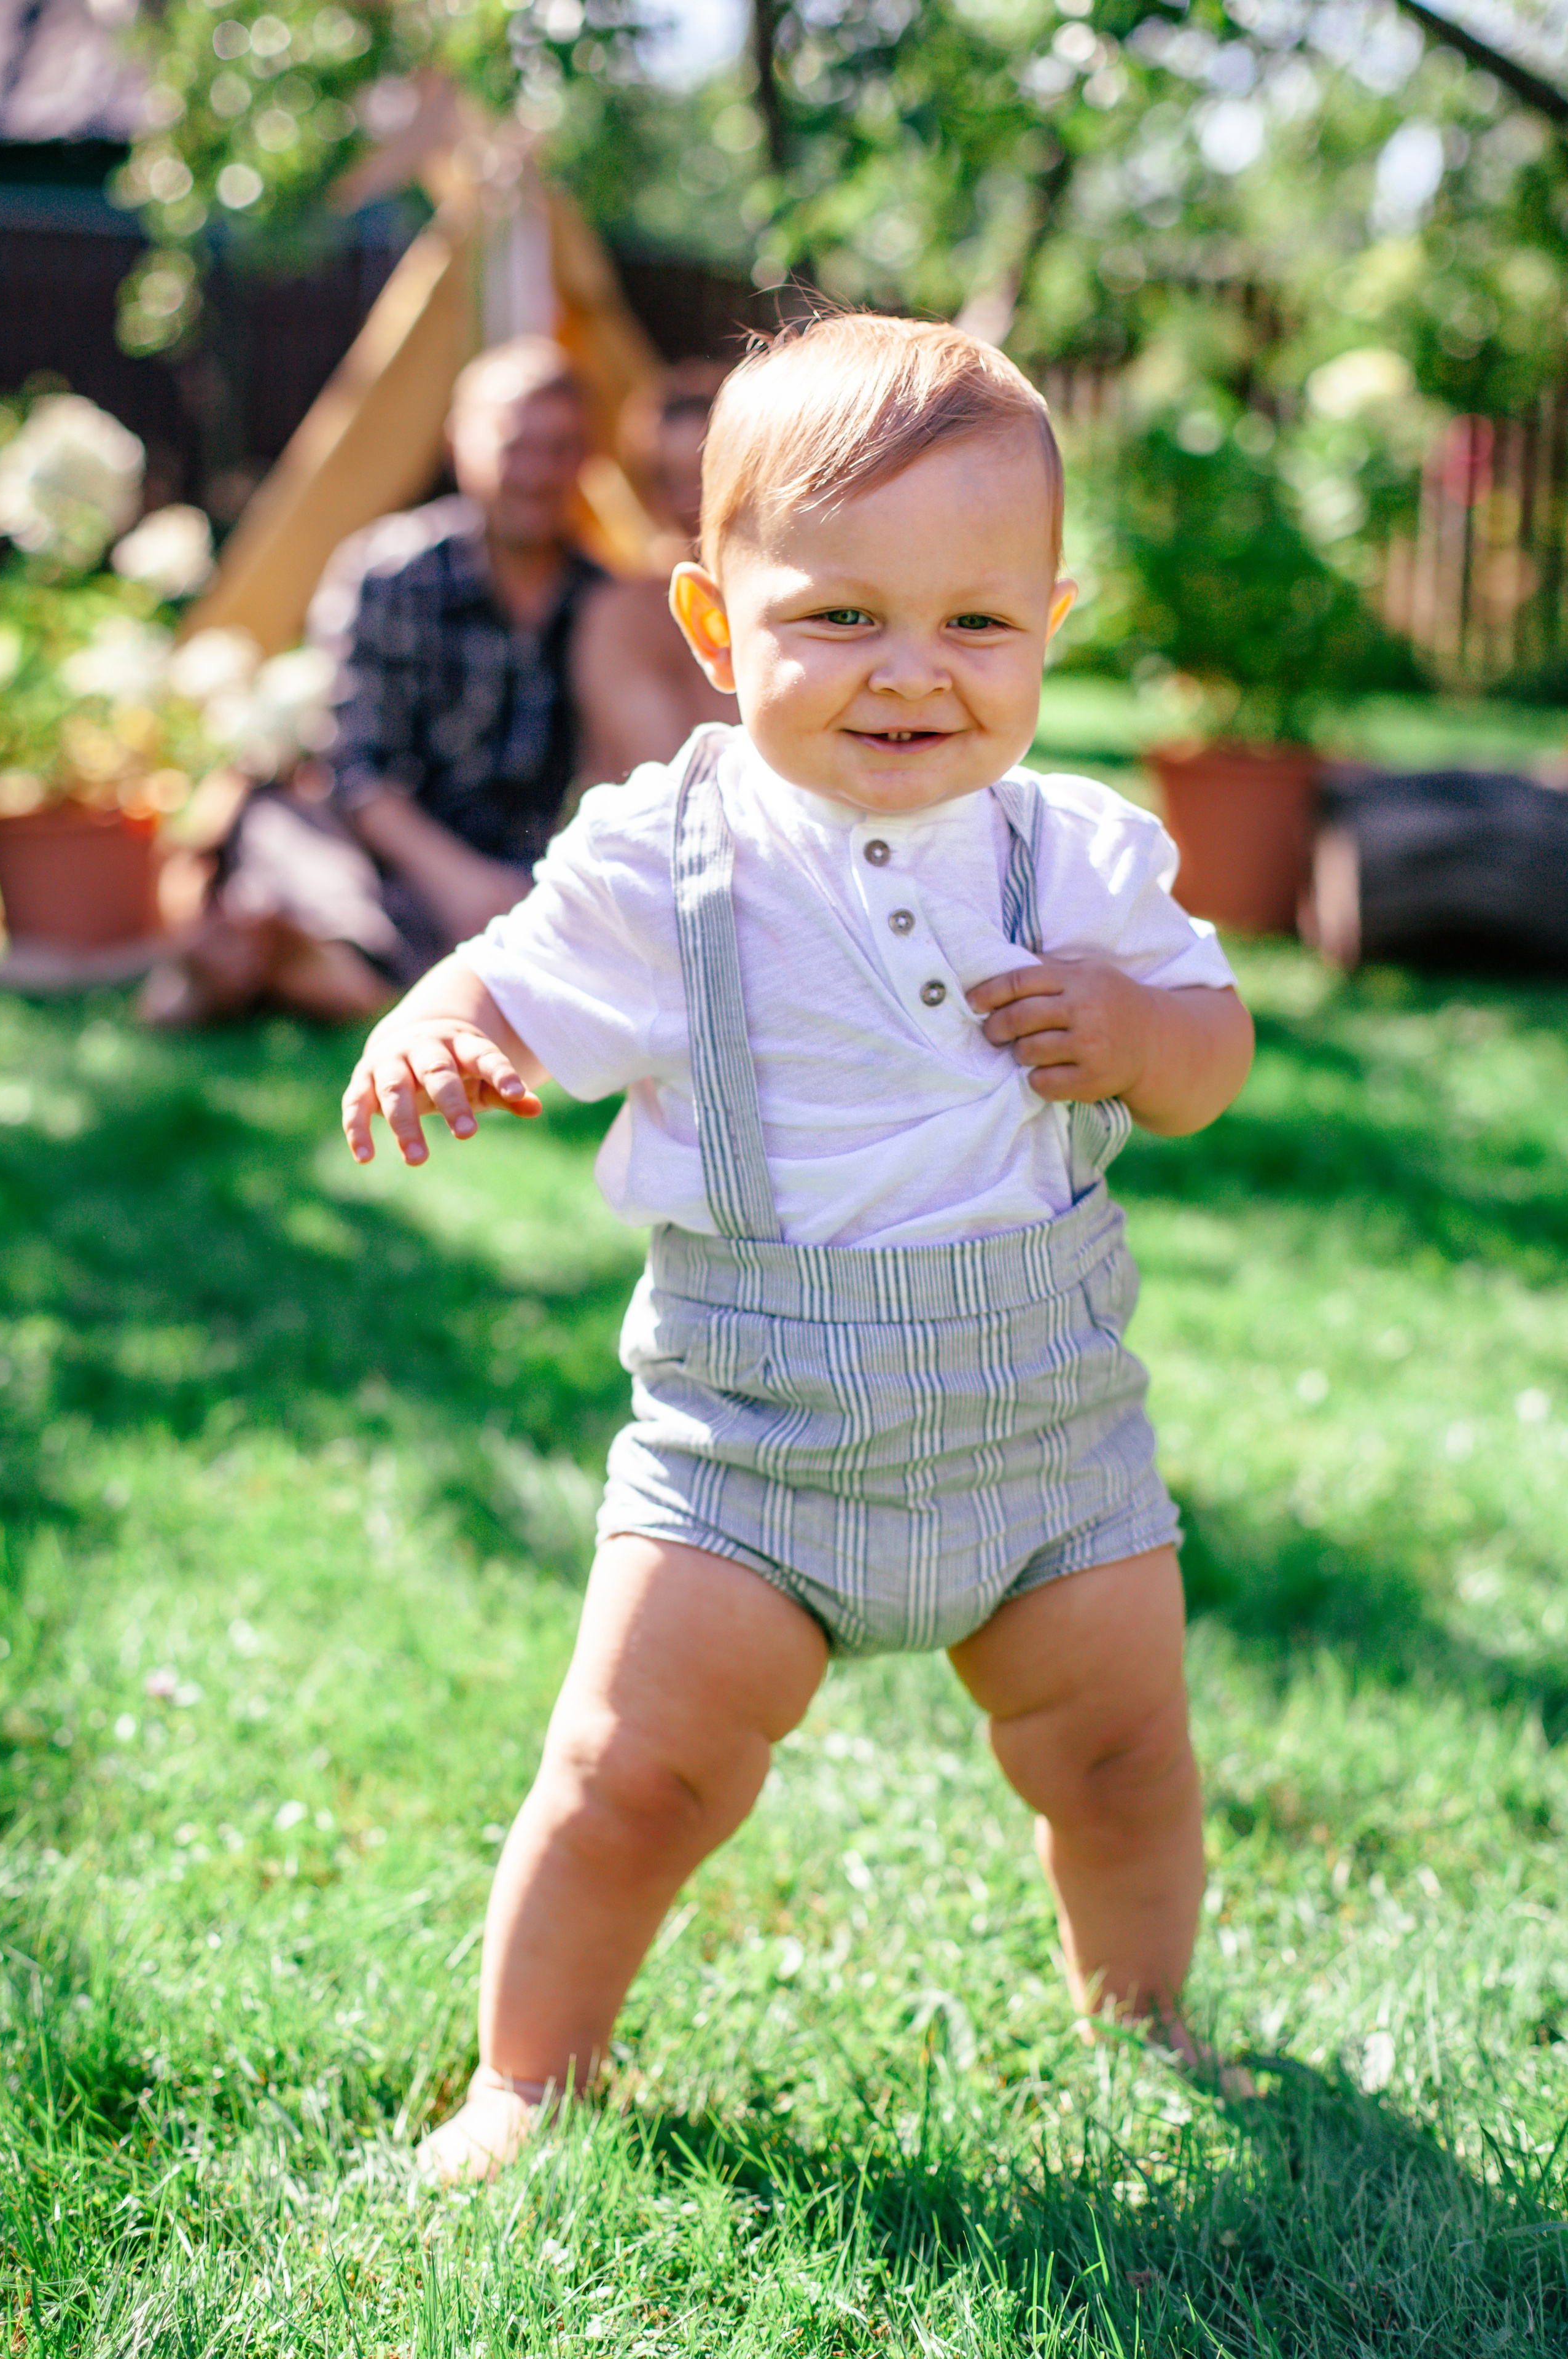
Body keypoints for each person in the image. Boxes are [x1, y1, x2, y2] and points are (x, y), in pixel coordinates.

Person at [340, 313, 1256, 2181]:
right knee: (629, 1775)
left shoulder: (1079, 857)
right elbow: (506, 980)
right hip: (752, 1447)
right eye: (838, 615)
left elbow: (1210, 1059)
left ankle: (1145, 2012)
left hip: (1042, 1438)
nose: (909, 670)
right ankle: (527, 2075)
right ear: (711, 624)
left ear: (1048, 623)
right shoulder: (662, 856)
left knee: (1119, 1759)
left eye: (974, 621)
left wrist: (1136, 1030)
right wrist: (438, 1028)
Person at [143, 338, 607, 1025]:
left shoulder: (607, 601)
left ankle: (309, 964)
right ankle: (321, 956)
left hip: (525, 879)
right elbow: (354, 769)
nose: (537, 472)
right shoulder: (392, 573)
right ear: (459, 445)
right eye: (515, 446)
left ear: (588, 459)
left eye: (560, 447)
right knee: (278, 824)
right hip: (388, 864)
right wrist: (456, 881)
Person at [571, 360, 731, 789]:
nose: (688, 501)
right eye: (666, 479)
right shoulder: (624, 614)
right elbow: (665, 775)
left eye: (704, 474)